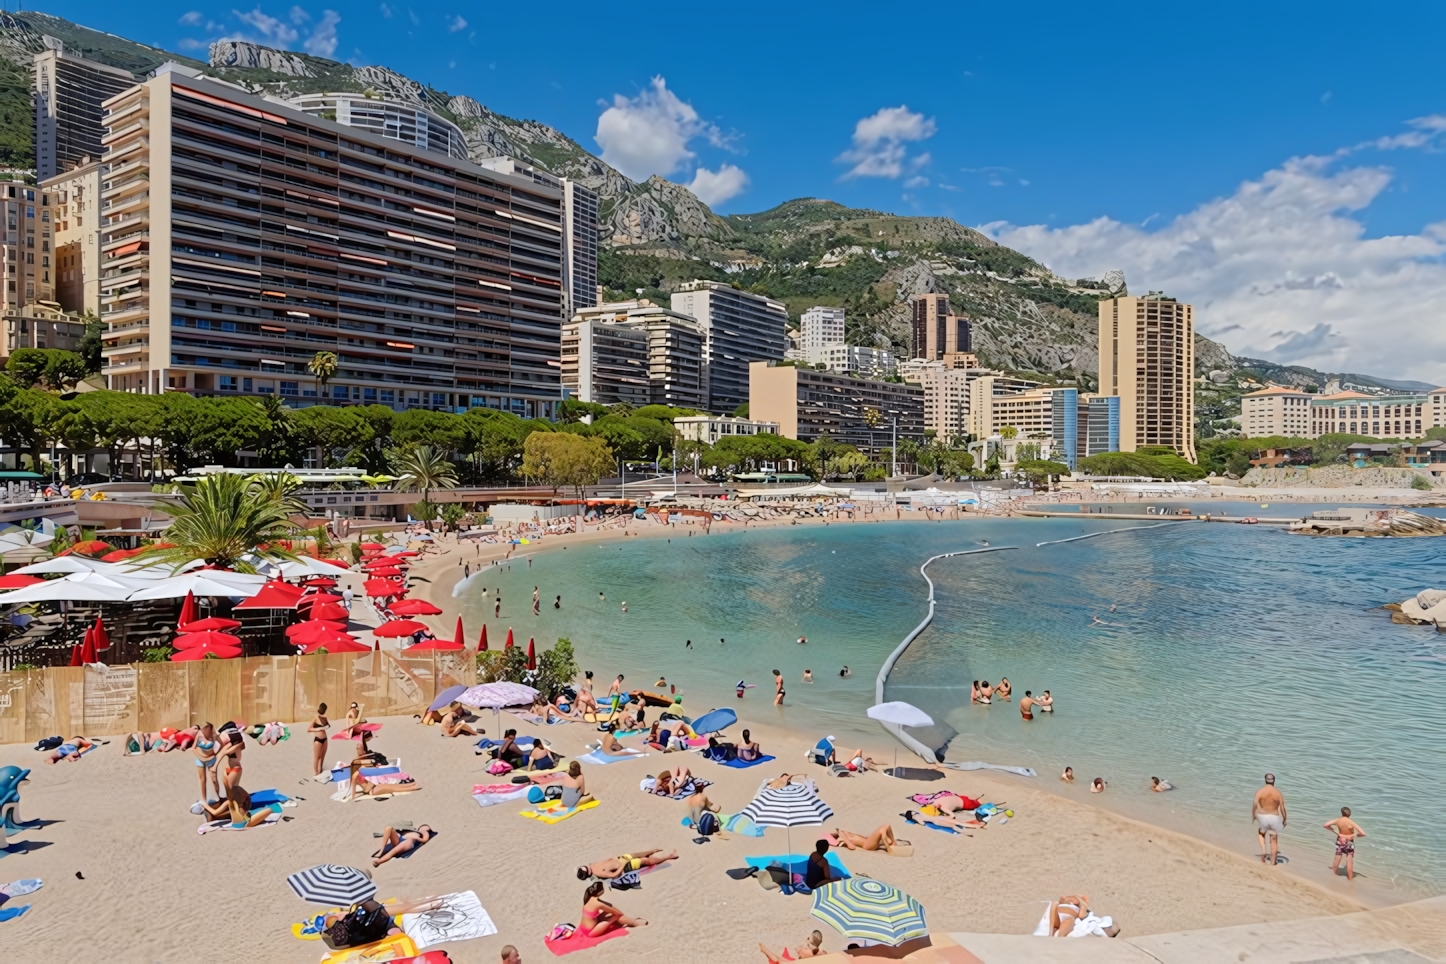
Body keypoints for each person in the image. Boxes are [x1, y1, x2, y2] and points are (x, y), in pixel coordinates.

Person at [580, 881, 646, 937]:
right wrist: (619, 915)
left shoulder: (589, 899)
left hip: (585, 927)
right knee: (616, 916)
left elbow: (609, 905)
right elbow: (618, 913)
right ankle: (633, 922)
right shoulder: (598, 904)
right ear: (600, 892)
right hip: (591, 932)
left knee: (612, 914)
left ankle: (631, 921)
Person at [577, 848, 678, 880]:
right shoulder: (599, 873)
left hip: (622, 858)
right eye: (587, 868)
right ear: (589, 872)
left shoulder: (591, 865)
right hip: (626, 865)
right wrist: (622, 865)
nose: (588, 866)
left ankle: (652, 851)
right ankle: (669, 856)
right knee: (645, 861)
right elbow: (614, 875)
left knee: (639, 854)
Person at [1253, 773, 1287, 866]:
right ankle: (1273, 862)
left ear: (1265, 780)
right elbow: (1283, 809)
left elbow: (1255, 805)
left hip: (1263, 816)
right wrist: (1284, 820)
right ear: (1274, 781)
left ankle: (1264, 851)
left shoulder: (1260, 792)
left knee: (1261, 833)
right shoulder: (1278, 793)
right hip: (1274, 817)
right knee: (1274, 839)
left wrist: (1254, 816)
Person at [1324, 807, 1366, 880]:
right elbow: (1363, 833)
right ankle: (1350, 880)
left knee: (1337, 857)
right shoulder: (1351, 822)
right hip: (1349, 842)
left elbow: (1325, 825)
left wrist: (1335, 832)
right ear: (1349, 814)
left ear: (1342, 813)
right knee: (1349, 861)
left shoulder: (1338, 820)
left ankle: (1333, 877)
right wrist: (1353, 835)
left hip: (1340, 840)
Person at [193, 722, 221, 801]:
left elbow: (219, 748)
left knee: (214, 779)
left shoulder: (214, 736)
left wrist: (212, 754)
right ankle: (203, 799)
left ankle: (218, 797)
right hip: (200, 759)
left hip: (211, 759)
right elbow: (193, 747)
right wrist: (200, 756)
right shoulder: (199, 734)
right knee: (202, 780)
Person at [760, 931, 825, 962]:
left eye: (808, 938)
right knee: (778, 959)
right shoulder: (822, 953)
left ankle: (764, 949)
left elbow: (798, 950)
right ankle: (764, 949)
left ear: (810, 941)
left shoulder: (805, 951)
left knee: (778, 960)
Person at [833, 824, 900, 853]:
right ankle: (889, 849)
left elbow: (858, 837)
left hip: (868, 841)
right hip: (867, 845)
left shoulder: (843, 833)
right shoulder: (840, 838)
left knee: (887, 826)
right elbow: (852, 847)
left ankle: (892, 842)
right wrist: (843, 836)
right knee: (882, 831)